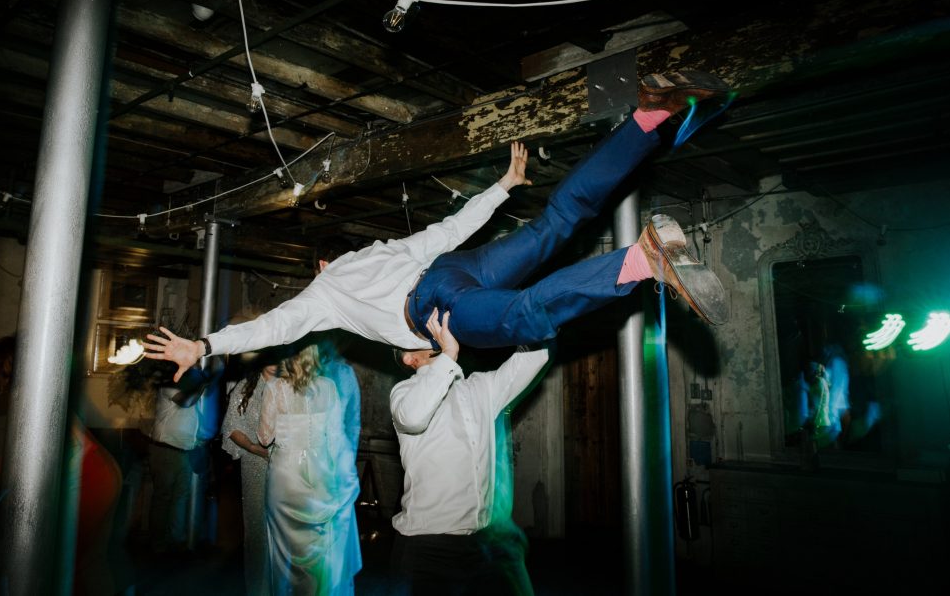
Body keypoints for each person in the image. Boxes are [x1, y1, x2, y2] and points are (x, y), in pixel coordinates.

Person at [145, 70, 732, 380]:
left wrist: (205, 344)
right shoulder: (379, 246)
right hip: (451, 268)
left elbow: (272, 328)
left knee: (523, 316)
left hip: (432, 306)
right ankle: (650, 112)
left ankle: (642, 260)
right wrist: (501, 188)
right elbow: (447, 233)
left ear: (321, 265)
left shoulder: (323, 294)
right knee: (560, 220)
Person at [390, 308, 550, 595]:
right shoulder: (403, 394)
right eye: (418, 336)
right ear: (410, 358)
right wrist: (448, 354)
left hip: (483, 543)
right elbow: (413, 417)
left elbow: (531, 359)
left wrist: (538, 309)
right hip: (428, 547)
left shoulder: (480, 387)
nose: (430, 332)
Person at [0, 336, 126, 596]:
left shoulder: (33, 400)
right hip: (95, 473)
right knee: (84, 564)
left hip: (89, 478)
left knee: (68, 563)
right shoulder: (36, 395)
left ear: (7, 368)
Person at [258, 341, 362, 595]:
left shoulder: (274, 387)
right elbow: (336, 438)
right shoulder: (328, 387)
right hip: (318, 474)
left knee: (283, 549)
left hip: (285, 476)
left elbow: (264, 438)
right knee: (317, 545)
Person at [220, 347, 281, 596]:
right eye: (271, 357)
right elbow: (232, 428)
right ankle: (257, 589)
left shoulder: (290, 387)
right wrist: (258, 450)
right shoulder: (246, 387)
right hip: (254, 464)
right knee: (256, 529)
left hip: (286, 467)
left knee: (282, 528)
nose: (276, 362)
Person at [148, 373, 217, 555]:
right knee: (163, 499)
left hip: (183, 451)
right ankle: (157, 545)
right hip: (165, 450)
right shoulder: (168, 383)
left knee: (180, 498)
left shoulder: (190, 387)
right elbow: (186, 402)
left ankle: (175, 542)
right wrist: (203, 384)